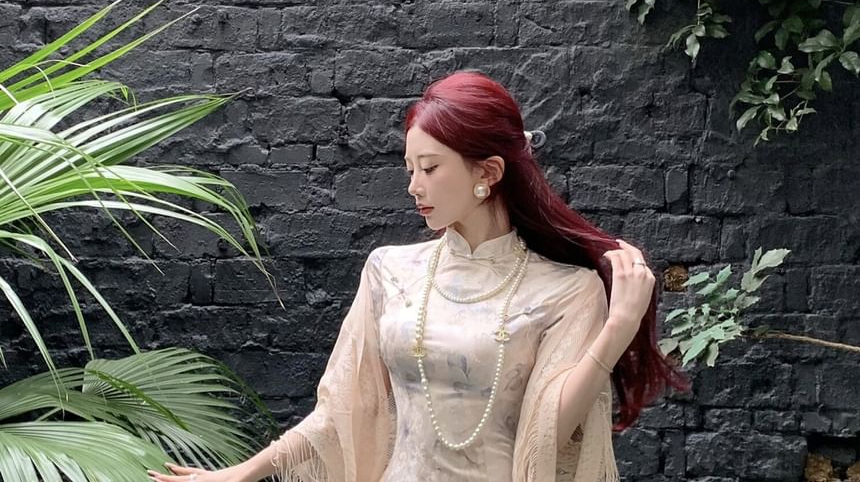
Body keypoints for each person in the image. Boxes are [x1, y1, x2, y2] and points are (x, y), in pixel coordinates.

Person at [148, 71, 684, 482]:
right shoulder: (390, 271)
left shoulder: (566, 290)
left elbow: (547, 433)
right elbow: (343, 411)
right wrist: (242, 473)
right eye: (410, 169)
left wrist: (618, 329)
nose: (413, 185)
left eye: (430, 168)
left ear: (488, 173)